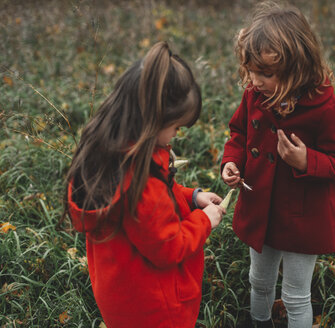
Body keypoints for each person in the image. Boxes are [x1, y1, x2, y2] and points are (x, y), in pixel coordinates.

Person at [63, 41, 225, 327]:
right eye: (175, 127)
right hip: (156, 306)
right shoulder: (142, 177)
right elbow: (168, 245)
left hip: (121, 296)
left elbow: (155, 208)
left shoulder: (112, 154)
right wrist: (204, 220)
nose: (175, 135)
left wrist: (191, 197)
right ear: (153, 119)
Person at [221, 2, 335, 327]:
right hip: (260, 209)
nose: (254, 81)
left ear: (297, 67)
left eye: (265, 74)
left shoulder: (326, 109)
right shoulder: (255, 96)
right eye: (251, 71)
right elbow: (239, 132)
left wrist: (307, 160)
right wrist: (232, 161)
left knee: (296, 295)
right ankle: (260, 321)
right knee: (259, 279)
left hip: (302, 217)